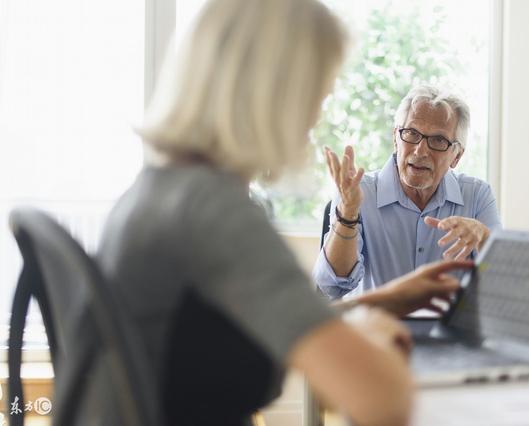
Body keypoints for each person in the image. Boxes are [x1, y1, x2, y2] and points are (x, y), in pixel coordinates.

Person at [93, 1, 471, 425]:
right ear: (273, 94)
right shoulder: (217, 215)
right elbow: (384, 398)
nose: (314, 117)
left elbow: (283, 322)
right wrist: (370, 333)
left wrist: (389, 299)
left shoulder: (162, 189)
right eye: (316, 94)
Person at [312, 85, 502, 299]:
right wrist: (347, 215)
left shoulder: (476, 196)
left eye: (438, 140)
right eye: (411, 133)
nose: (421, 151)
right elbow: (332, 285)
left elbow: (506, 285)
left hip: (450, 331)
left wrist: (485, 238)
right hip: (375, 330)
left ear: (456, 156)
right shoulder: (356, 192)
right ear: (396, 138)